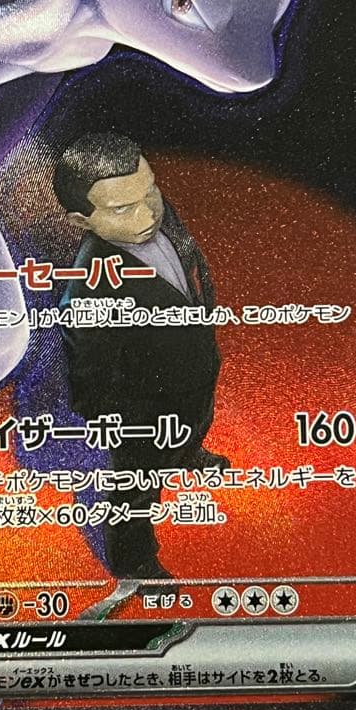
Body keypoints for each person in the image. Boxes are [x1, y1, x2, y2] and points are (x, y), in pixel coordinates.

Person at [53, 132, 228, 588]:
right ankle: (133, 560)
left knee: (195, 420)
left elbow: (189, 264)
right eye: (122, 209)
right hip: (142, 410)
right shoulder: (88, 288)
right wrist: (120, 422)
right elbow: (88, 372)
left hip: (191, 371)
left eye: (150, 192)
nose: (148, 214)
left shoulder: (160, 216)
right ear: (81, 220)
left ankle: (187, 452)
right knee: (135, 486)